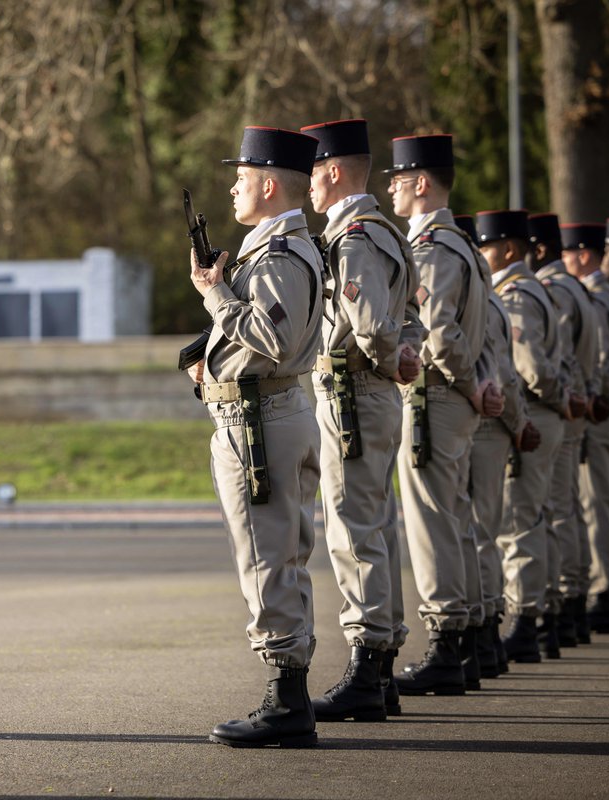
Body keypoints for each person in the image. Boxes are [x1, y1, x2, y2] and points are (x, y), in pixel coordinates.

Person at [188, 126, 323, 748]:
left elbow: (275, 340)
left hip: (260, 425)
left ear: (270, 185)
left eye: (242, 178)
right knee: (281, 554)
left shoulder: (282, 256)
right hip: (262, 414)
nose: (234, 187)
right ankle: (288, 690)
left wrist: (215, 294)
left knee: (269, 558)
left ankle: (287, 701)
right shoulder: (273, 251)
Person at [298, 119, 424, 722]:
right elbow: (411, 317)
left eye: (312, 174)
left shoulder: (352, 238)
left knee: (353, 531)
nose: (307, 186)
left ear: (334, 171)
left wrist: (388, 355)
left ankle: (368, 665)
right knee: (376, 525)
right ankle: (383, 666)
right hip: (369, 395)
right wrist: (406, 352)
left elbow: (374, 325)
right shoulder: (389, 233)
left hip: (351, 395)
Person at [385, 134, 490, 696]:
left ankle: (447, 644)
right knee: (453, 518)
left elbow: (442, 335)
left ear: (421, 183)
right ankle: (465, 642)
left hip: (435, 397)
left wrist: (472, 386)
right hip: (454, 399)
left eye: (398, 181)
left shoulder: (430, 249)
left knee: (432, 524)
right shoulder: (464, 245)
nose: (393, 190)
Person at [479, 210, 573, 663]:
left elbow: (529, 367)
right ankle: (545, 621)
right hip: (545, 414)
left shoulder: (513, 295)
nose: (481, 253)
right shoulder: (534, 288)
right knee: (541, 516)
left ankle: (525, 622)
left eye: (488, 245)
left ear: (510, 250)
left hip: (531, 415)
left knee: (519, 523)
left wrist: (550, 400)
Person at [460, 213, 533, 679]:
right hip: (494, 421)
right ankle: (485, 637)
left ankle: (482, 635)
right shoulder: (493, 300)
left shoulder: (485, 302)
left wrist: (517, 420)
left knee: (476, 533)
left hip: (484, 423)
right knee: (482, 532)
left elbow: (500, 374)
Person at [528, 214, 600, 650]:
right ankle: (568, 604)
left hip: (555, 407)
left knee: (548, 512)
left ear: (538, 250)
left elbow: (544, 362)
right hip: (573, 405)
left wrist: (566, 395)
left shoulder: (553, 290)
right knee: (567, 507)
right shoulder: (577, 290)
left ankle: (555, 606)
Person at [563, 222, 609, 633]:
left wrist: (599, 393)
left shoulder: (594, 296)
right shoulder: (600, 294)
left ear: (582, 255)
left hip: (598, 410)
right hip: (599, 406)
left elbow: (603, 356)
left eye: (566, 254)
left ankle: (603, 588)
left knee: (594, 502)